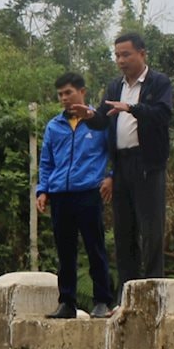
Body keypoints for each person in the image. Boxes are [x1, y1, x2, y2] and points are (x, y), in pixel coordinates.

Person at [95, 31, 174, 290]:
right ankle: (126, 292)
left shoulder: (158, 83)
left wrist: (131, 108)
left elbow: (162, 114)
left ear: (142, 54)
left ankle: (153, 289)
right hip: (121, 164)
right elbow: (102, 118)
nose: (121, 60)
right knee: (123, 231)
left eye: (126, 54)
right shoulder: (115, 86)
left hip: (148, 164)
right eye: (117, 55)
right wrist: (88, 115)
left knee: (151, 230)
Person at [35, 72, 116, 318]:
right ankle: (66, 302)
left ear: (82, 92)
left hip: (88, 192)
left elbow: (115, 151)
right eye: (60, 94)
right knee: (65, 251)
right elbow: (47, 161)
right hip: (60, 194)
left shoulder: (98, 123)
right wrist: (43, 189)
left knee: (95, 248)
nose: (64, 98)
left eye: (69, 93)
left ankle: (102, 301)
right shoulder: (53, 126)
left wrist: (111, 176)